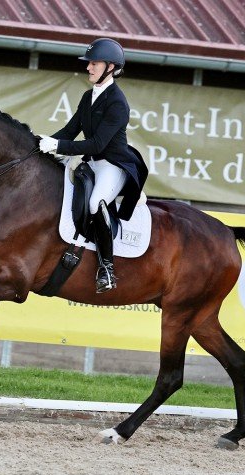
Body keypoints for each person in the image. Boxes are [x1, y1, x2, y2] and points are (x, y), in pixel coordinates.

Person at [39, 38, 148, 294]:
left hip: (113, 164)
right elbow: (70, 130)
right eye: (89, 63)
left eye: (94, 64)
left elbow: (98, 144)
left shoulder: (118, 103)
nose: (88, 68)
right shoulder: (89, 96)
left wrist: (58, 147)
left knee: (94, 202)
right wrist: (40, 143)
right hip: (93, 163)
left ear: (110, 67)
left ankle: (107, 268)